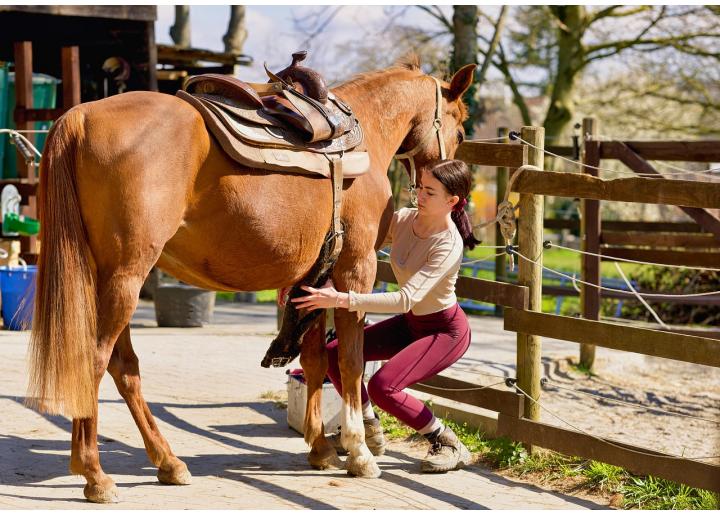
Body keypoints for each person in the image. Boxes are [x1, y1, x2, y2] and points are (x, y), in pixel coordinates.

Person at [291, 158, 480, 473]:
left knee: (384, 386)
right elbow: (359, 234)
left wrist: (340, 299)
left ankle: (446, 440)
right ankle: (368, 427)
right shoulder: (404, 219)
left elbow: (406, 299)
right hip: (413, 324)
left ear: (452, 201)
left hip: (444, 331)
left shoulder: (448, 244)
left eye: (430, 192)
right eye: (419, 187)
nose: (419, 196)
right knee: (338, 354)